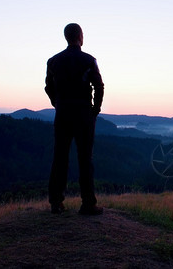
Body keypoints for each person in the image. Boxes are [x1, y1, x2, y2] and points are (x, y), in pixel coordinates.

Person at [45, 23, 104, 215]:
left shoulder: (53, 61)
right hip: (83, 115)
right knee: (85, 158)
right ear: (80, 36)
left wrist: (57, 103)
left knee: (60, 157)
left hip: (62, 114)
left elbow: (48, 87)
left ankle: (56, 202)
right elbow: (99, 85)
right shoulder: (88, 60)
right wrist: (95, 108)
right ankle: (88, 203)